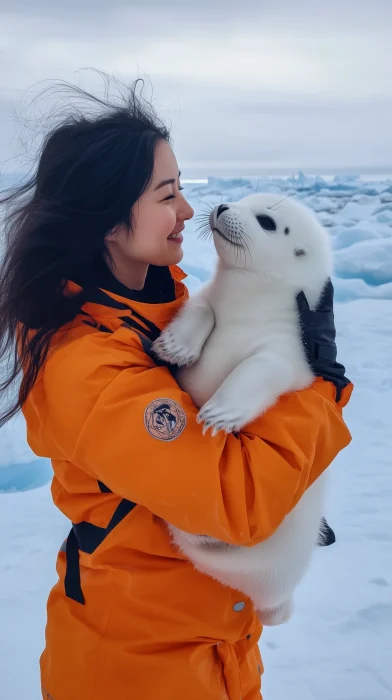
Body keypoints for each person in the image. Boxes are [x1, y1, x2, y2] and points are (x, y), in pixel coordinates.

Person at [0, 77, 352, 700]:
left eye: (183, 189)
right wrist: (317, 391)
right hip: (137, 670)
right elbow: (234, 502)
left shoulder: (167, 313)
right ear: (110, 219)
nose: (188, 211)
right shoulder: (88, 365)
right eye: (168, 194)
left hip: (216, 657)